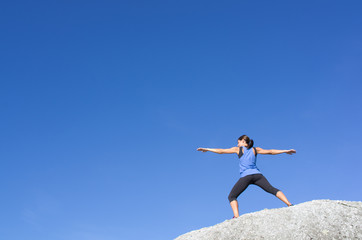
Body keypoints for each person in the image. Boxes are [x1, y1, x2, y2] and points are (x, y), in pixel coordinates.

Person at [197, 135, 296, 218]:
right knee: (271, 189)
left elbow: (221, 151)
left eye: (238, 142)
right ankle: (289, 204)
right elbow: (270, 151)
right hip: (258, 175)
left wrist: (207, 149)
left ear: (244, 141)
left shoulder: (238, 149)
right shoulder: (255, 149)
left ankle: (236, 217)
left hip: (246, 176)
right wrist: (284, 151)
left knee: (232, 196)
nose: (237, 144)